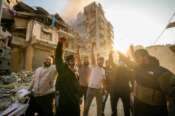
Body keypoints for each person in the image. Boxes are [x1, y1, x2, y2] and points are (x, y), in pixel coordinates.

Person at [119, 47, 175, 116]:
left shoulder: (162, 72)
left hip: (156, 111)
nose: (136, 60)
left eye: (141, 56)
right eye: (136, 58)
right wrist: (122, 56)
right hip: (139, 109)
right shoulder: (138, 67)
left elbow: (173, 95)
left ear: (146, 56)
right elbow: (130, 63)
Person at [55, 37, 81, 116]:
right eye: (71, 60)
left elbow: (77, 85)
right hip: (64, 101)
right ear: (67, 62)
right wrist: (60, 44)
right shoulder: (62, 68)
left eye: (74, 60)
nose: (73, 62)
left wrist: (80, 96)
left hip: (74, 102)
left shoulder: (76, 72)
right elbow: (58, 57)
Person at [83, 42, 106, 116]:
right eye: (99, 60)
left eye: (102, 60)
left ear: (103, 62)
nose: (101, 61)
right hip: (90, 89)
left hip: (99, 90)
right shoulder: (94, 65)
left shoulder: (103, 70)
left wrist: (103, 89)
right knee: (86, 106)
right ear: (98, 61)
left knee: (100, 107)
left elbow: (103, 80)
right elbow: (92, 56)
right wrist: (92, 47)